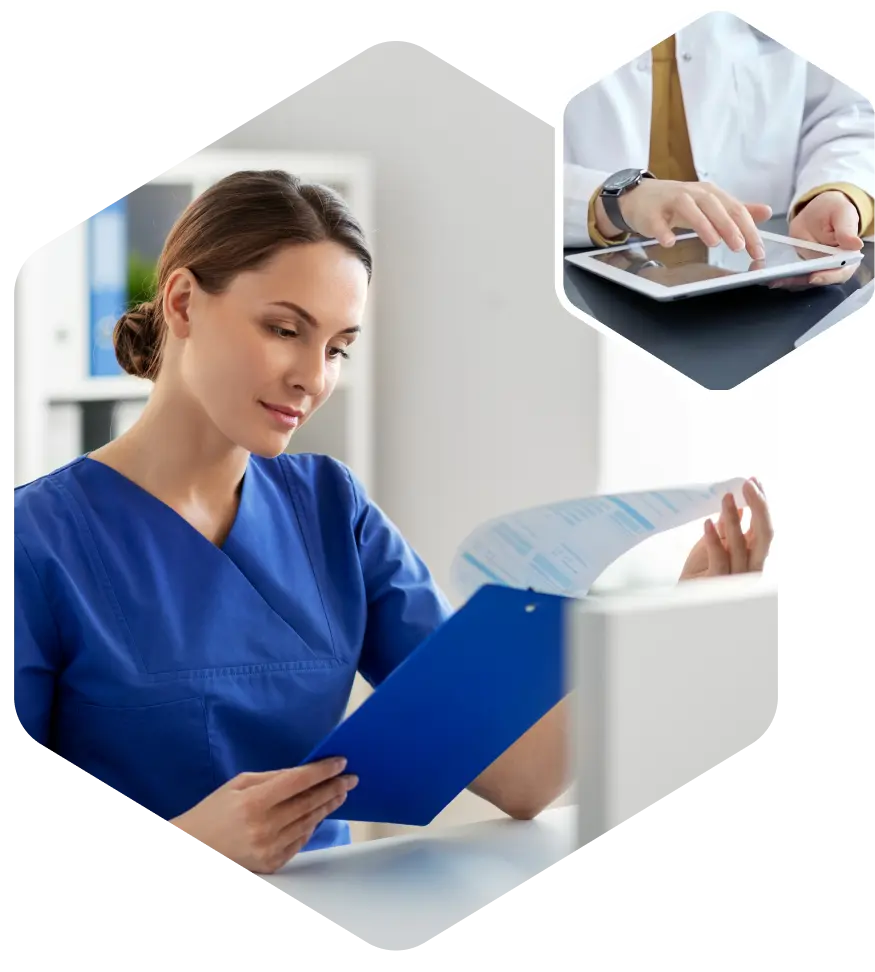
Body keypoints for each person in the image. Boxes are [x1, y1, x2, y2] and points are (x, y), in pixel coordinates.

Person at [12, 170, 775, 875]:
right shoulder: (35, 542)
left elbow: (518, 775)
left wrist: (665, 622)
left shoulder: (330, 510)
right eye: (284, 329)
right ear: (181, 303)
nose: (313, 377)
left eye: (337, 347)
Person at [563, 12, 875, 289]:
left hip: (773, 279)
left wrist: (836, 190)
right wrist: (614, 201)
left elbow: (847, 114)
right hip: (579, 270)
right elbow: (519, 157)